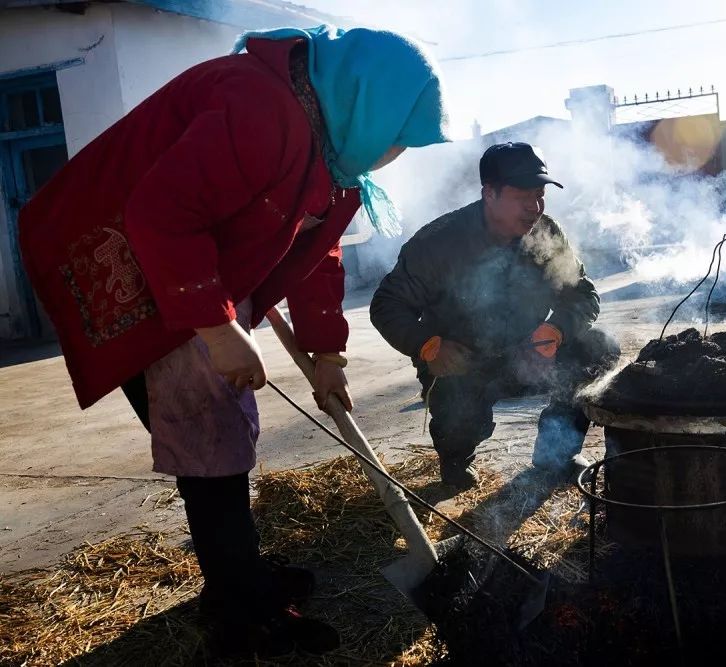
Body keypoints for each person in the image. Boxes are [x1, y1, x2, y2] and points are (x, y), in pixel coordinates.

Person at [17, 25, 450, 658]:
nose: (394, 155)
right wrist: (219, 331)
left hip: (194, 266)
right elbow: (161, 213)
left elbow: (318, 253)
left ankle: (239, 579)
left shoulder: (333, 155)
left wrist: (327, 355)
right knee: (211, 445)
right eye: (396, 139)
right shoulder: (261, 107)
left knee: (222, 439)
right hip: (133, 259)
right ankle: (243, 616)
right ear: (366, 102)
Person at [370, 142, 620, 490]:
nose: (534, 207)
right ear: (490, 193)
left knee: (599, 346)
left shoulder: (546, 233)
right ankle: (456, 458)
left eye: (539, 195)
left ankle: (556, 453)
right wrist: (426, 345)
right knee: (460, 428)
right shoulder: (438, 243)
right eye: (523, 197)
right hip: (463, 366)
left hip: (528, 355)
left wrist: (557, 329)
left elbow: (582, 293)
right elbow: (387, 304)